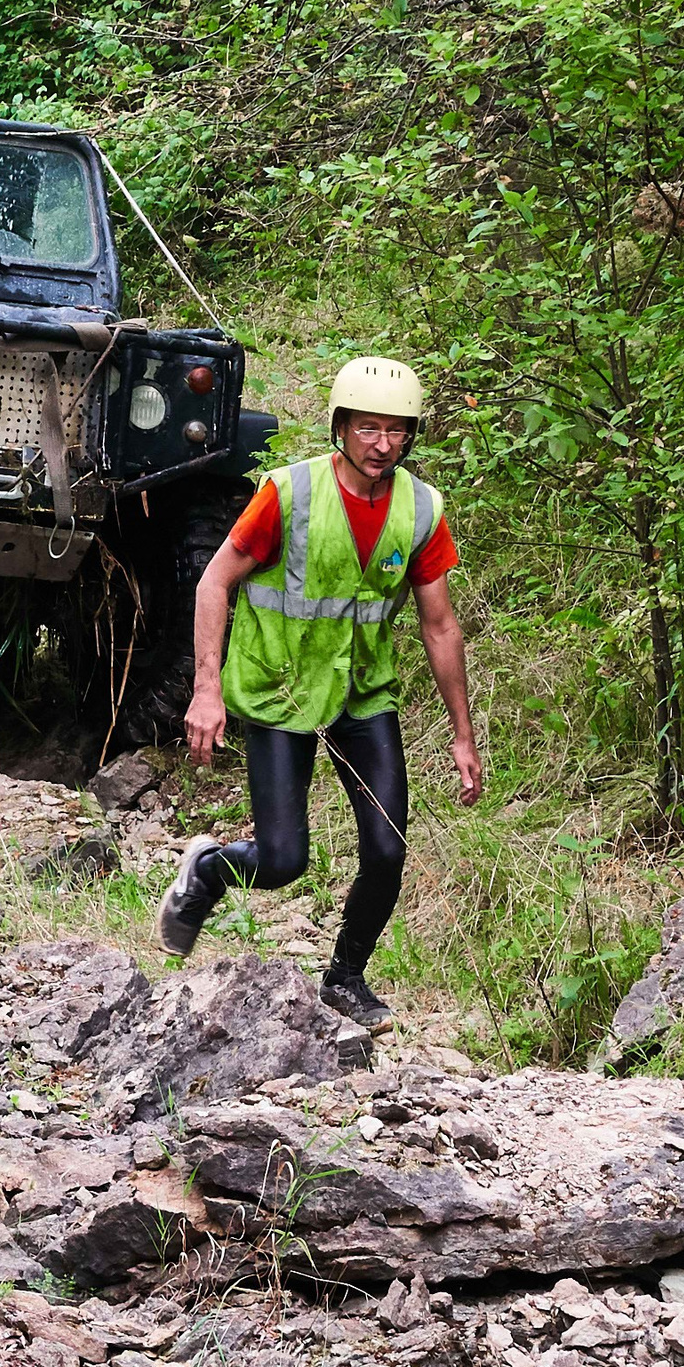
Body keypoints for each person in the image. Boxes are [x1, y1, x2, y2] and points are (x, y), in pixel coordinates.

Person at [156, 355, 485, 1032]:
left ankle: (346, 978)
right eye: (368, 428)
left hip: (362, 695)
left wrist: (462, 733)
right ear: (341, 427)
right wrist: (206, 689)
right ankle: (209, 871)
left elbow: (440, 623)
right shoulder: (291, 494)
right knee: (282, 861)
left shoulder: (420, 510)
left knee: (387, 848)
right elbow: (213, 583)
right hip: (282, 692)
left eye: (396, 431)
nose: (382, 445)